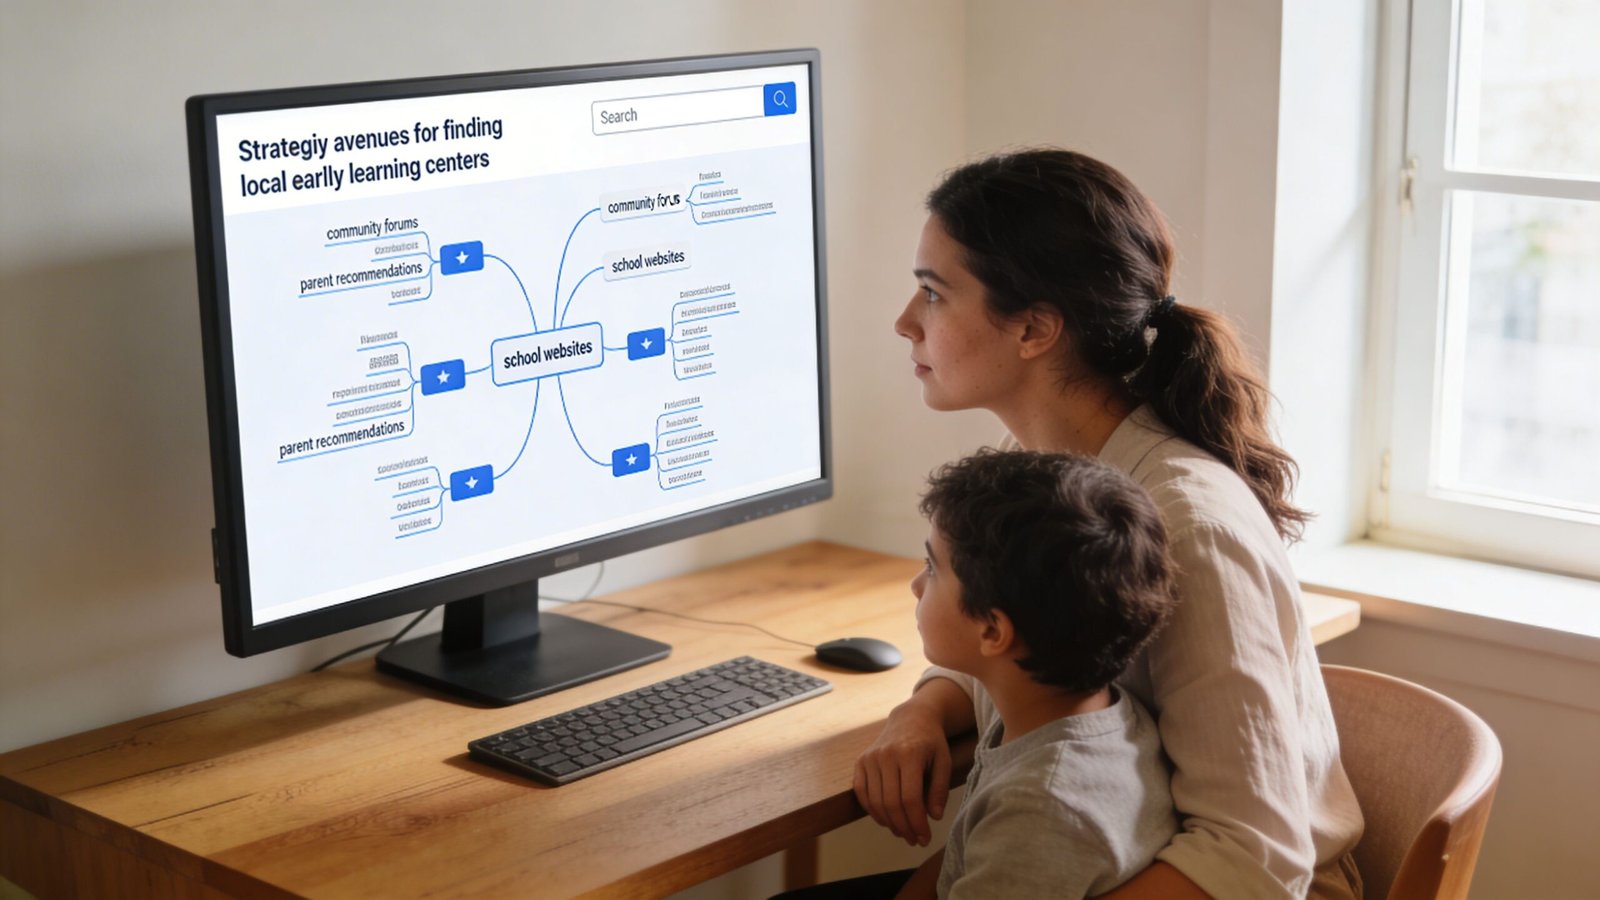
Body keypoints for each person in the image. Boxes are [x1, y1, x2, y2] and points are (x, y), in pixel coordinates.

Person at [856, 149, 1363, 899]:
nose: (905, 323)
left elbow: (1252, 860)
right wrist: (925, 709)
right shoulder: (1051, 475)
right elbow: (1039, 642)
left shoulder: (1189, 524)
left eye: (933, 293)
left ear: (1033, 328)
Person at [896, 449, 1180, 899]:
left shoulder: (1040, 809)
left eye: (932, 568)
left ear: (992, 630)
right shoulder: (1099, 712)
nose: (915, 584)